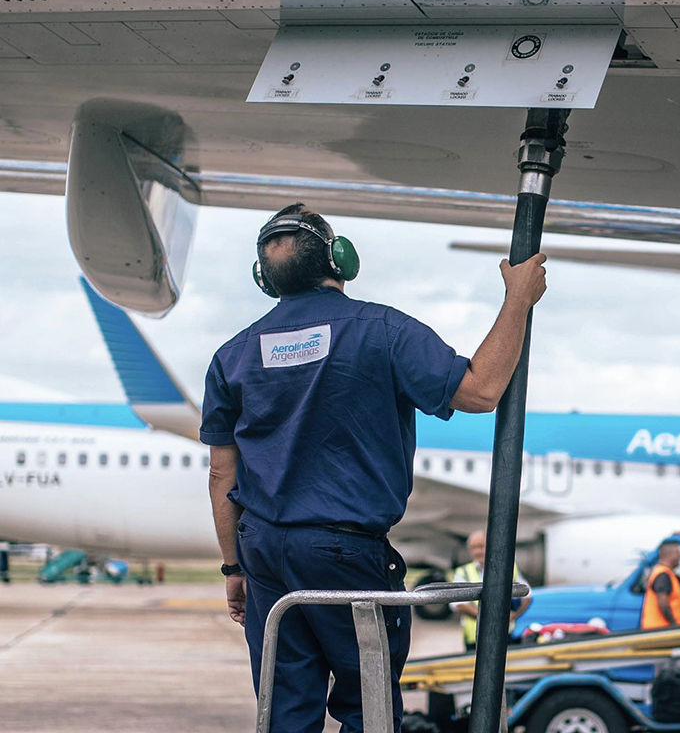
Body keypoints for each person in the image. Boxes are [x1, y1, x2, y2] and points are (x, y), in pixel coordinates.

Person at [201, 203, 547, 733]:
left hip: (264, 553)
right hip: (345, 553)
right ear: (341, 260)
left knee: (284, 710)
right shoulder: (381, 330)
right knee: (370, 710)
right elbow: (481, 390)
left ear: (264, 280)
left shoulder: (233, 356)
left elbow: (222, 476)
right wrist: (518, 301)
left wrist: (234, 568)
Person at [450, 529, 532, 652]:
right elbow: (457, 604)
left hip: (505, 636)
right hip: (475, 639)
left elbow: (528, 595)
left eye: (480, 546)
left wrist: (513, 615)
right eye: (473, 548)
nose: (477, 551)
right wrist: (487, 618)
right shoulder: (463, 572)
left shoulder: (509, 568)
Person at [641, 541, 680, 629]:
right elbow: (663, 603)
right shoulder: (662, 575)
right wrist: (674, 624)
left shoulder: (668, 574)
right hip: (660, 629)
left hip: (661, 628)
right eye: (678, 553)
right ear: (669, 555)